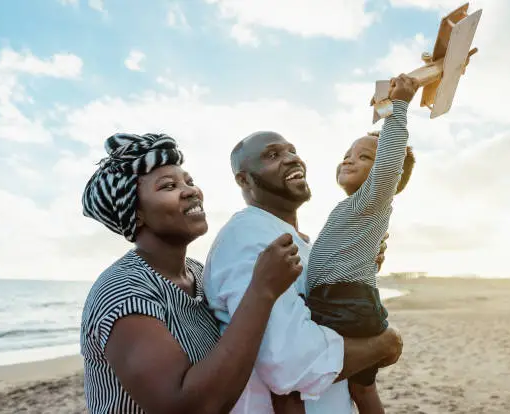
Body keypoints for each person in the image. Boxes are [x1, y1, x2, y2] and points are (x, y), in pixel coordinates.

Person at [202, 78, 414, 414]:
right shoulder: (249, 235)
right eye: (273, 155)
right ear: (244, 180)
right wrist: (384, 343)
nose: (291, 159)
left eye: (292, 151)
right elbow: (289, 364)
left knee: (362, 389)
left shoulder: (304, 239)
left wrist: (362, 264)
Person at [79, 132, 305, 414]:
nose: (191, 191)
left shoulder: (198, 273)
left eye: (189, 181)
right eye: (169, 186)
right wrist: (262, 291)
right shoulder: (124, 289)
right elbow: (185, 406)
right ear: (135, 213)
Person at [304, 74, 419, 414]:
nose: (349, 160)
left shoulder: (374, 197)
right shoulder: (353, 208)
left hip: (347, 304)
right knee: (362, 389)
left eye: (365, 157)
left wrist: (398, 108)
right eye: (347, 154)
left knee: (299, 374)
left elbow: (388, 165)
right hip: (342, 300)